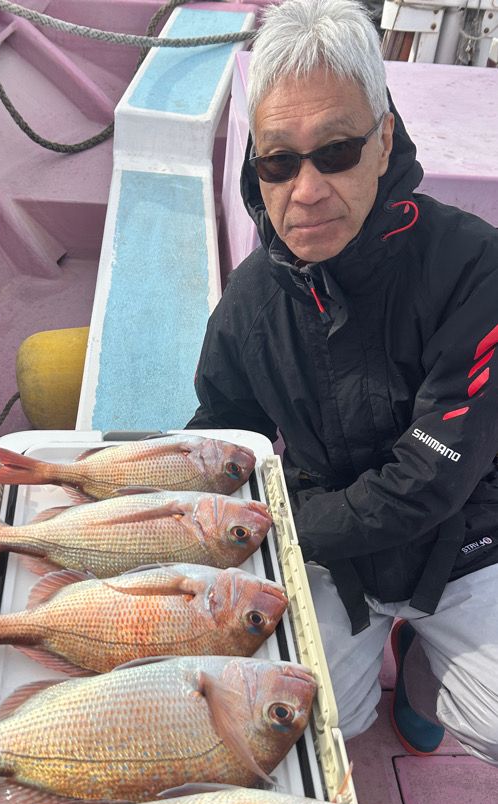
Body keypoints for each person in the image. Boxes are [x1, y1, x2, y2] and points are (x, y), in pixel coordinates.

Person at [188, 0, 498, 760]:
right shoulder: (248, 302)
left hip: (463, 535)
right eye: (278, 162)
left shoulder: (476, 267)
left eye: (335, 152)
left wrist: (279, 528)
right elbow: (226, 432)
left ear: (383, 139)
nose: (306, 189)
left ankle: (419, 669)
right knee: (296, 722)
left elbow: (434, 473)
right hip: (335, 554)